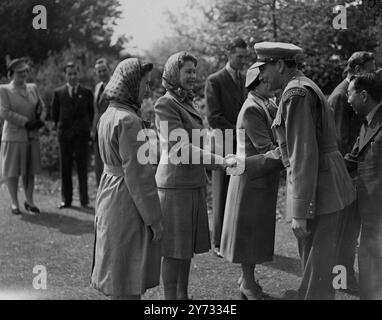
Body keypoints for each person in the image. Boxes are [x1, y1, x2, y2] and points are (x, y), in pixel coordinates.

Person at [252, 42, 356, 300]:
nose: (260, 75)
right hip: (327, 186)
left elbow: (302, 155)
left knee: (316, 270)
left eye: (263, 67)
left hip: (319, 190)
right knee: (317, 268)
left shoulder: (295, 94)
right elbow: (299, 148)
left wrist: (300, 211)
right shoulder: (303, 85)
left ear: (278, 64)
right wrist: (248, 165)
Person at [154, 51, 231, 300]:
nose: (193, 76)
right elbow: (181, 148)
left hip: (191, 183)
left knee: (184, 249)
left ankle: (183, 297)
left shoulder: (187, 101)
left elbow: (201, 140)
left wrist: (225, 152)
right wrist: (220, 162)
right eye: (187, 71)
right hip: (175, 186)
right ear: (174, 73)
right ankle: (169, 301)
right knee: (173, 250)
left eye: (194, 72)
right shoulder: (165, 103)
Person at [91, 58, 163, 300]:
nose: (147, 89)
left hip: (109, 193)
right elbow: (139, 176)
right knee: (129, 277)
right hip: (127, 201)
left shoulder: (108, 114)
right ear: (131, 84)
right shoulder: (128, 120)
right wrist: (154, 220)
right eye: (145, 83)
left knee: (117, 272)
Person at [220, 65, 281, 300]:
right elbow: (266, 147)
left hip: (258, 175)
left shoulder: (264, 103)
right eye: (267, 81)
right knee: (249, 232)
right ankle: (247, 282)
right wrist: (288, 152)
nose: (272, 84)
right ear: (258, 84)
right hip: (250, 178)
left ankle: (247, 279)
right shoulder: (252, 110)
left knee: (255, 231)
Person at [327, 51, 375, 294]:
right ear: (355, 69)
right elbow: (338, 141)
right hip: (348, 176)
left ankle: (346, 278)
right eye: (370, 69)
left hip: (355, 171)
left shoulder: (360, 94)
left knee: (351, 233)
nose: (373, 74)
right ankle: (343, 280)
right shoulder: (339, 97)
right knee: (345, 234)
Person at [205, 37, 248, 257]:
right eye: (239, 56)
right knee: (222, 192)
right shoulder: (215, 80)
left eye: (244, 56)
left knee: (236, 191)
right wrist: (239, 131)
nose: (242, 60)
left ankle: (232, 239)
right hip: (223, 143)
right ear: (228, 54)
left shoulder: (243, 79)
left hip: (239, 143)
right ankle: (218, 242)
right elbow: (213, 117)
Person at [345, 73, 382, 300]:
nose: (347, 99)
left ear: (364, 95)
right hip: (369, 209)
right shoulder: (367, 120)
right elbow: (353, 158)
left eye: (350, 93)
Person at [0, 58, 45, 215]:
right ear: (11, 74)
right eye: (20, 73)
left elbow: (42, 106)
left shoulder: (32, 88)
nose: (23, 75)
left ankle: (30, 200)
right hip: (13, 136)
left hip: (31, 136)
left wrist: (40, 120)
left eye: (25, 71)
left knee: (29, 170)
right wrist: (25, 122)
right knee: (12, 171)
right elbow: (5, 112)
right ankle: (14, 202)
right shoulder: (4, 90)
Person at [51, 62, 94, 209]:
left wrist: (87, 130)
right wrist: (61, 130)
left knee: (83, 169)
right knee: (66, 168)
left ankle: (84, 200)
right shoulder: (59, 93)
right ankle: (66, 200)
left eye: (75, 73)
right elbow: (54, 116)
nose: (73, 76)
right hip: (65, 137)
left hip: (82, 136)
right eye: (69, 74)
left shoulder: (87, 93)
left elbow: (91, 113)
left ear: (78, 73)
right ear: (65, 75)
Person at [92, 58, 111, 186]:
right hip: (98, 130)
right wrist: (92, 130)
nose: (102, 73)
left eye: (104, 70)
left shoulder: (116, 85)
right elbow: (96, 110)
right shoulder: (98, 86)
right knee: (98, 164)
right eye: (99, 71)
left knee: (109, 163)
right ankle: (100, 191)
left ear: (109, 70)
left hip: (110, 129)